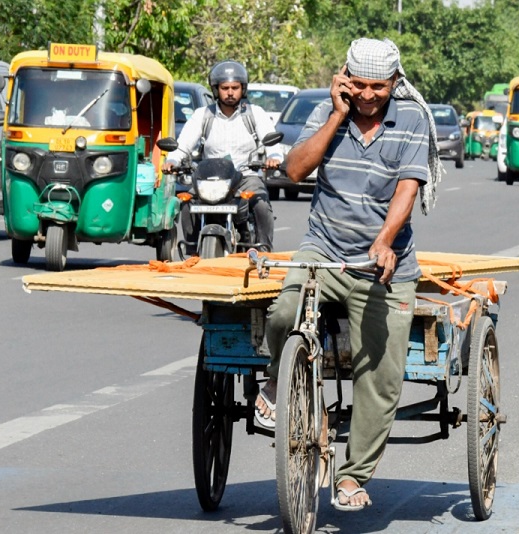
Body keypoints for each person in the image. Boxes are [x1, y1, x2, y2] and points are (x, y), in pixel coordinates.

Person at [255, 38, 441, 511]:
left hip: (383, 263)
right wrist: (336, 115)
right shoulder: (327, 113)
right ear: (344, 78)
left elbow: (407, 187)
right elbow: (295, 170)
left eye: (378, 86)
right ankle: (277, 378)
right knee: (281, 314)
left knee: (379, 374)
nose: (368, 94)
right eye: (358, 84)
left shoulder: (412, 119)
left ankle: (353, 477)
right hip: (323, 248)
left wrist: (384, 242)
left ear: (394, 83)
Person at [162, 60, 282, 252]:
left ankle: (263, 251)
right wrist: (172, 160)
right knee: (186, 202)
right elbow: (183, 144)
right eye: (225, 88)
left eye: (235, 87)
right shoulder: (203, 115)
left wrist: (274, 157)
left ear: (243, 89)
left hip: (246, 176)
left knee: (261, 204)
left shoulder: (255, 114)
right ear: (216, 89)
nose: (230, 92)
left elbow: (271, 141)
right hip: (211, 179)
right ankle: (192, 250)